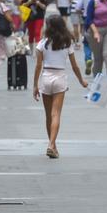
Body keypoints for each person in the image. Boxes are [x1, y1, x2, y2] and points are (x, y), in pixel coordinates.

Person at [32, 15, 88, 158]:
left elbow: (38, 66)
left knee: (48, 115)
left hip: (46, 77)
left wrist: (35, 86)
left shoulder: (42, 44)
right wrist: (81, 80)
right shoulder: (67, 43)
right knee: (56, 114)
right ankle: (52, 145)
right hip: (60, 78)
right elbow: (74, 65)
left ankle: (52, 145)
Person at [76, 0, 100, 75]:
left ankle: (88, 58)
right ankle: (98, 62)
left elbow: (77, 7)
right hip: (100, 20)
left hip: (87, 20)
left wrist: (81, 13)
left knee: (87, 42)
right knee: (98, 41)